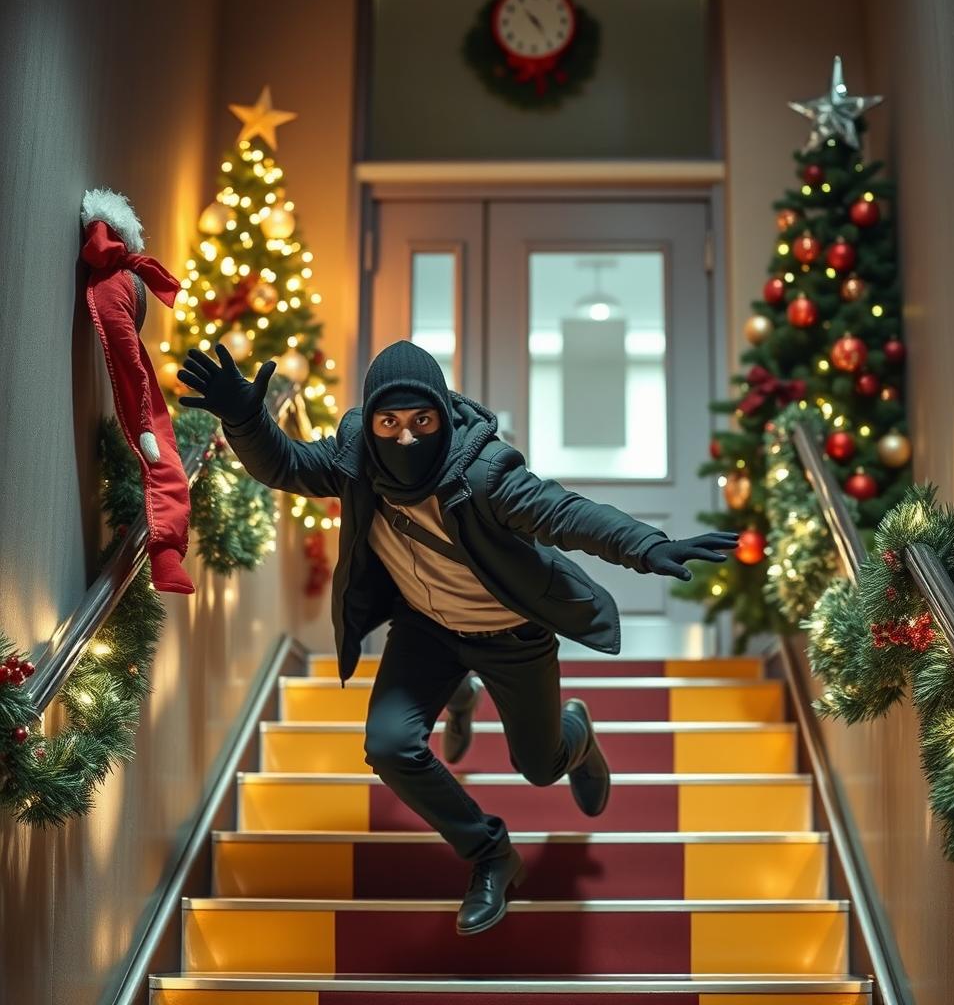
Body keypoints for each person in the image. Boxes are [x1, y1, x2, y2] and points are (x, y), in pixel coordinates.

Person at [177, 339, 739, 935]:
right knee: (389, 745)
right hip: (428, 630)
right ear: (369, 422)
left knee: (540, 766)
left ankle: (575, 734)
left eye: (422, 420)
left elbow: (565, 513)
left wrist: (647, 545)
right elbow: (284, 464)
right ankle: (490, 854)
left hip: (510, 632)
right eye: (388, 422)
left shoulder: (484, 471)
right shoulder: (355, 459)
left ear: (443, 414)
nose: (406, 437)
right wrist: (243, 417)